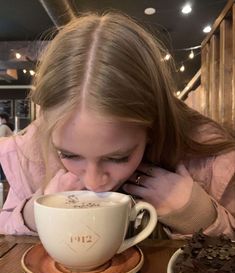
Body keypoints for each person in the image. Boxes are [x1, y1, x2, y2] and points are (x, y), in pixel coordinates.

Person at [0, 12, 234, 238]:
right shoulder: (31, 154)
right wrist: (35, 212)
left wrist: (199, 215)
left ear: (153, 127)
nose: (94, 182)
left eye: (118, 157)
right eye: (68, 154)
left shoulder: (209, 159)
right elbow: (5, 225)